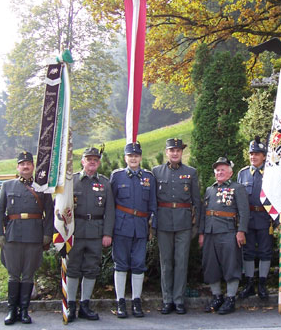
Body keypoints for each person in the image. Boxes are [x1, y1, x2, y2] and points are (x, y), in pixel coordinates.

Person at [0, 151, 54, 325]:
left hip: (34, 236)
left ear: (33, 167)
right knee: (13, 275)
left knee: (28, 275)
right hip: (12, 236)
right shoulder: (8, 186)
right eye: (22, 164)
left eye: (28, 164)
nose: (25, 167)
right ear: (18, 167)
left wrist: (47, 234)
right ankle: (12, 310)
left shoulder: (42, 187)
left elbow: (49, 213)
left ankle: (25, 311)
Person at [66, 147, 115, 322]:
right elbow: (63, 208)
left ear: (99, 162)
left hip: (96, 232)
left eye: (95, 159)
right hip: (75, 232)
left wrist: (107, 233)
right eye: (89, 159)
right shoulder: (71, 182)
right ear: (82, 161)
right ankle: (71, 305)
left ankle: (85, 305)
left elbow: (110, 211)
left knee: (91, 269)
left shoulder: (104, 183)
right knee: (72, 268)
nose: (92, 162)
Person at [152, 138, 201, 315]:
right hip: (164, 223)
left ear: (181, 153)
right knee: (166, 263)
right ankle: (167, 300)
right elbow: (153, 202)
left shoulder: (191, 172)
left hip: (184, 223)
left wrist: (197, 227)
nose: (175, 153)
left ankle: (179, 300)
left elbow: (197, 201)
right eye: (171, 150)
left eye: (178, 150)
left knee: (181, 262)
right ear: (166, 152)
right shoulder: (156, 172)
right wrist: (153, 225)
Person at [110, 142, 157, 318]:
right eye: (130, 156)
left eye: (136, 156)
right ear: (125, 158)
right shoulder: (117, 176)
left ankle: (136, 301)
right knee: (121, 264)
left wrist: (153, 227)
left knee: (138, 264)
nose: (133, 158)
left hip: (141, 228)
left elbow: (153, 204)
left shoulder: (148, 177)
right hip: (121, 227)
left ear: (141, 157)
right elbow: (110, 205)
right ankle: (120, 301)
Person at [198, 157, 249, 315]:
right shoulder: (209, 190)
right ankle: (217, 297)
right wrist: (201, 233)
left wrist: (241, 231)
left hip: (228, 233)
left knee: (231, 265)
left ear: (230, 172)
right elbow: (203, 214)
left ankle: (231, 298)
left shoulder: (237, 188)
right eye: (217, 170)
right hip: (210, 233)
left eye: (223, 170)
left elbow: (244, 212)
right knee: (210, 266)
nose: (219, 172)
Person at [237, 137, 273, 300]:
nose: (253, 157)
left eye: (257, 154)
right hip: (248, 219)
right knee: (248, 252)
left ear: (264, 156)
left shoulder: (272, 173)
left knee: (265, 252)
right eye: (251, 154)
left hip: (266, 218)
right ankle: (250, 283)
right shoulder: (243, 174)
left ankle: (263, 284)